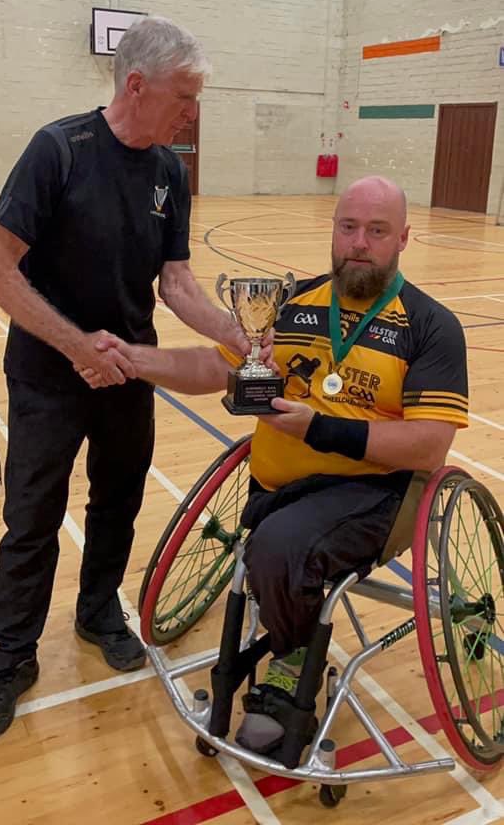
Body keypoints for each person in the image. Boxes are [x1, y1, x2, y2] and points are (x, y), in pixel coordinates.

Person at [79, 175, 469, 753]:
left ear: (404, 239)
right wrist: (133, 359)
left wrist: (317, 428)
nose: (359, 243)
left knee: (279, 547)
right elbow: (214, 369)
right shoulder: (288, 305)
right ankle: (291, 617)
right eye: (348, 227)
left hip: (374, 494)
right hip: (275, 487)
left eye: (377, 231)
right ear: (333, 230)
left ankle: (290, 663)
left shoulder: (431, 327)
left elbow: (428, 446)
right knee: (277, 542)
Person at [0, 16, 251, 741]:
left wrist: (233, 330)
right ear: (138, 85)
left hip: (129, 372)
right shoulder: (58, 150)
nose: (192, 113)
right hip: (48, 374)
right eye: (185, 96)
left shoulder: (169, 172)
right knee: (31, 518)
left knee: (118, 501)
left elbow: (175, 283)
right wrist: (76, 347)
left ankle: (98, 610)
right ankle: (11, 658)